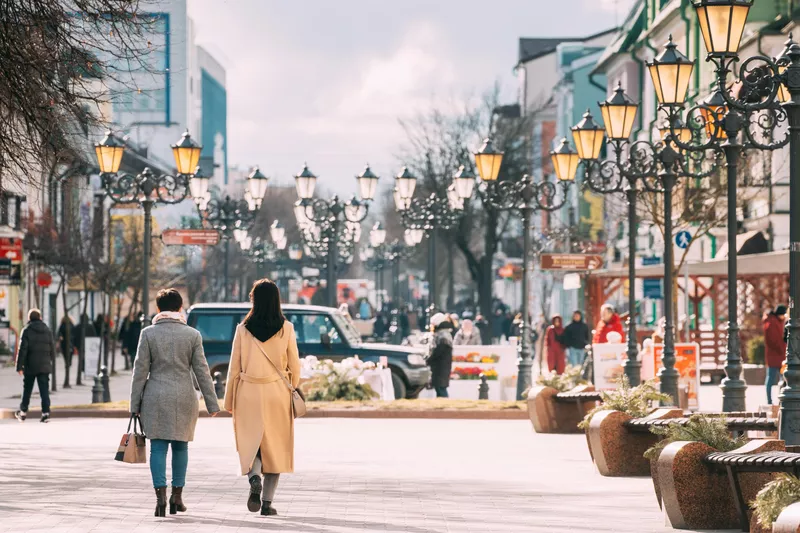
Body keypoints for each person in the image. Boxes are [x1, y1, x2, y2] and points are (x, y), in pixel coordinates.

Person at [130, 288, 220, 517]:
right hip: (184, 396)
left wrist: (134, 405)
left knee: (158, 448)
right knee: (181, 447)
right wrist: (212, 403)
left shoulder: (148, 334)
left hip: (155, 397)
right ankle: (176, 497)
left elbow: (139, 372)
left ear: (158, 308)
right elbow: (202, 371)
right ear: (180, 308)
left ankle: (160, 498)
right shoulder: (192, 335)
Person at [224, 279, 301, 517]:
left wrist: (229, 401)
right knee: (275, 448)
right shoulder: (286, 328)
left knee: (251, 445)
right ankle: (267, 503)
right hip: (276, 392)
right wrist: (292, 387)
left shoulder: (242, 329)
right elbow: (295, 366)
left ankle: (254, 477)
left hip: (248, 392)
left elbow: (233, 369)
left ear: (253, 300)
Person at [14, 309, 55, 423]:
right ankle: (46, 413)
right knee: (44, 390)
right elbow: (52, 349)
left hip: (30, 366)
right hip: (44, 365)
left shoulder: (26, 330)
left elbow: (22, 350)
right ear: (40, 317)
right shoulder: (47, 330)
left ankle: (23, 413)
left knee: (27, 389)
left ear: (29, 318)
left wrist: (19, 366)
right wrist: (50, 361)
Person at [764, 304, 787, 405]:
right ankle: (770, 401)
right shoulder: (772, 322)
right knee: (772, 379)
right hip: (775, 356)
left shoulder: (777, 321)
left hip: (779, 356)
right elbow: (774, 340)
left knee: (783, 379)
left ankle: (781, 400)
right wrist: (782, 348)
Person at [427, 313, 454, 397]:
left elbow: (438, 351)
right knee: (440, 388)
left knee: (440, 389)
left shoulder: (442, 335)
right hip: (442, 366)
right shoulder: (444, 333)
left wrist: (429, 359)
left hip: (440, 366)